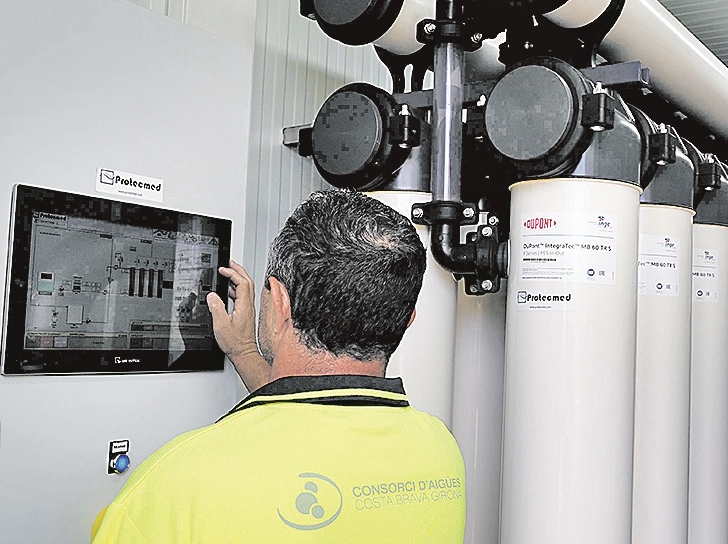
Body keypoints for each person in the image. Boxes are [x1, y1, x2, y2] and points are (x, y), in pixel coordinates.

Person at [92, 190, 465, 543]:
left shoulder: (176, 483)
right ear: (406, 319)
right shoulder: (439, 452)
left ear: (281, 302)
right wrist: (243, 350)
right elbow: (314, 420)